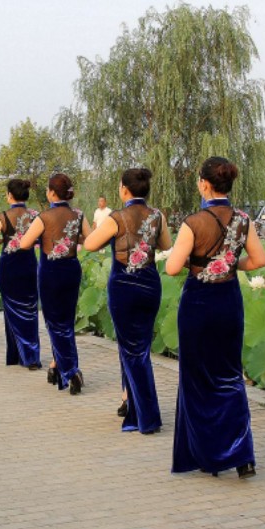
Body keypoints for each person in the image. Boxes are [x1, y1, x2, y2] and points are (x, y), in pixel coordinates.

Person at [165, 157, 265, 475]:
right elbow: (259, 260)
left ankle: (207, 454)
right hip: (228, 302)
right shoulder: (243, 220)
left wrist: (199, 262)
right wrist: (229, 263)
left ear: (205, 184)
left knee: (196, 377)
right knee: (230, 375)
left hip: (198, 303)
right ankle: (242, 455)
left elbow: (172, 267)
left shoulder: (193, 222)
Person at [85, 168, 173, 433]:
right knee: (138, 346)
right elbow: (166, 245)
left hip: (123, 288)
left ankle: (147, 417)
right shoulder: (157, 215)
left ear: (124, 189)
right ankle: (130, 401)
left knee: (133, 351)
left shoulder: (116, 218)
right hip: (150, 286)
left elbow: (90, 244)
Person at [19, 173, 91, 392]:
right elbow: (89, 240)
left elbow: (24, 244)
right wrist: (70, 238)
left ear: (51, 193)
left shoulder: (44, 217)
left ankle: (71, 371)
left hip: (50, 272)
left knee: (54, 323)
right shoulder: (78, 215)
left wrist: (44, 237)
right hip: (71, 270)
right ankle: (56, 365)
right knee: (66, 321)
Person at [0, 179, 41, 369]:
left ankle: (23, 356)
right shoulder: (35, 215)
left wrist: (3, 241)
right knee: (30, 309)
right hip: (29, 265)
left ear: (10, 195)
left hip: (9, 266)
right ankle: (27, 354)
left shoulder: (3, 216)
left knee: (11, 309)